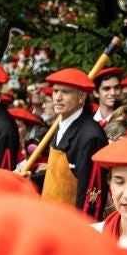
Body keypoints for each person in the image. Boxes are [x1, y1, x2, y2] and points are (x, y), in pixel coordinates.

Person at [38, 68, 109, 220]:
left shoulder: (91, 137)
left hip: (72, 228)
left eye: (65, 92)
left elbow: (92, 196)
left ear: (81, 97)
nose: (58, 97)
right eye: (56, 91)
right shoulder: (61, 125)